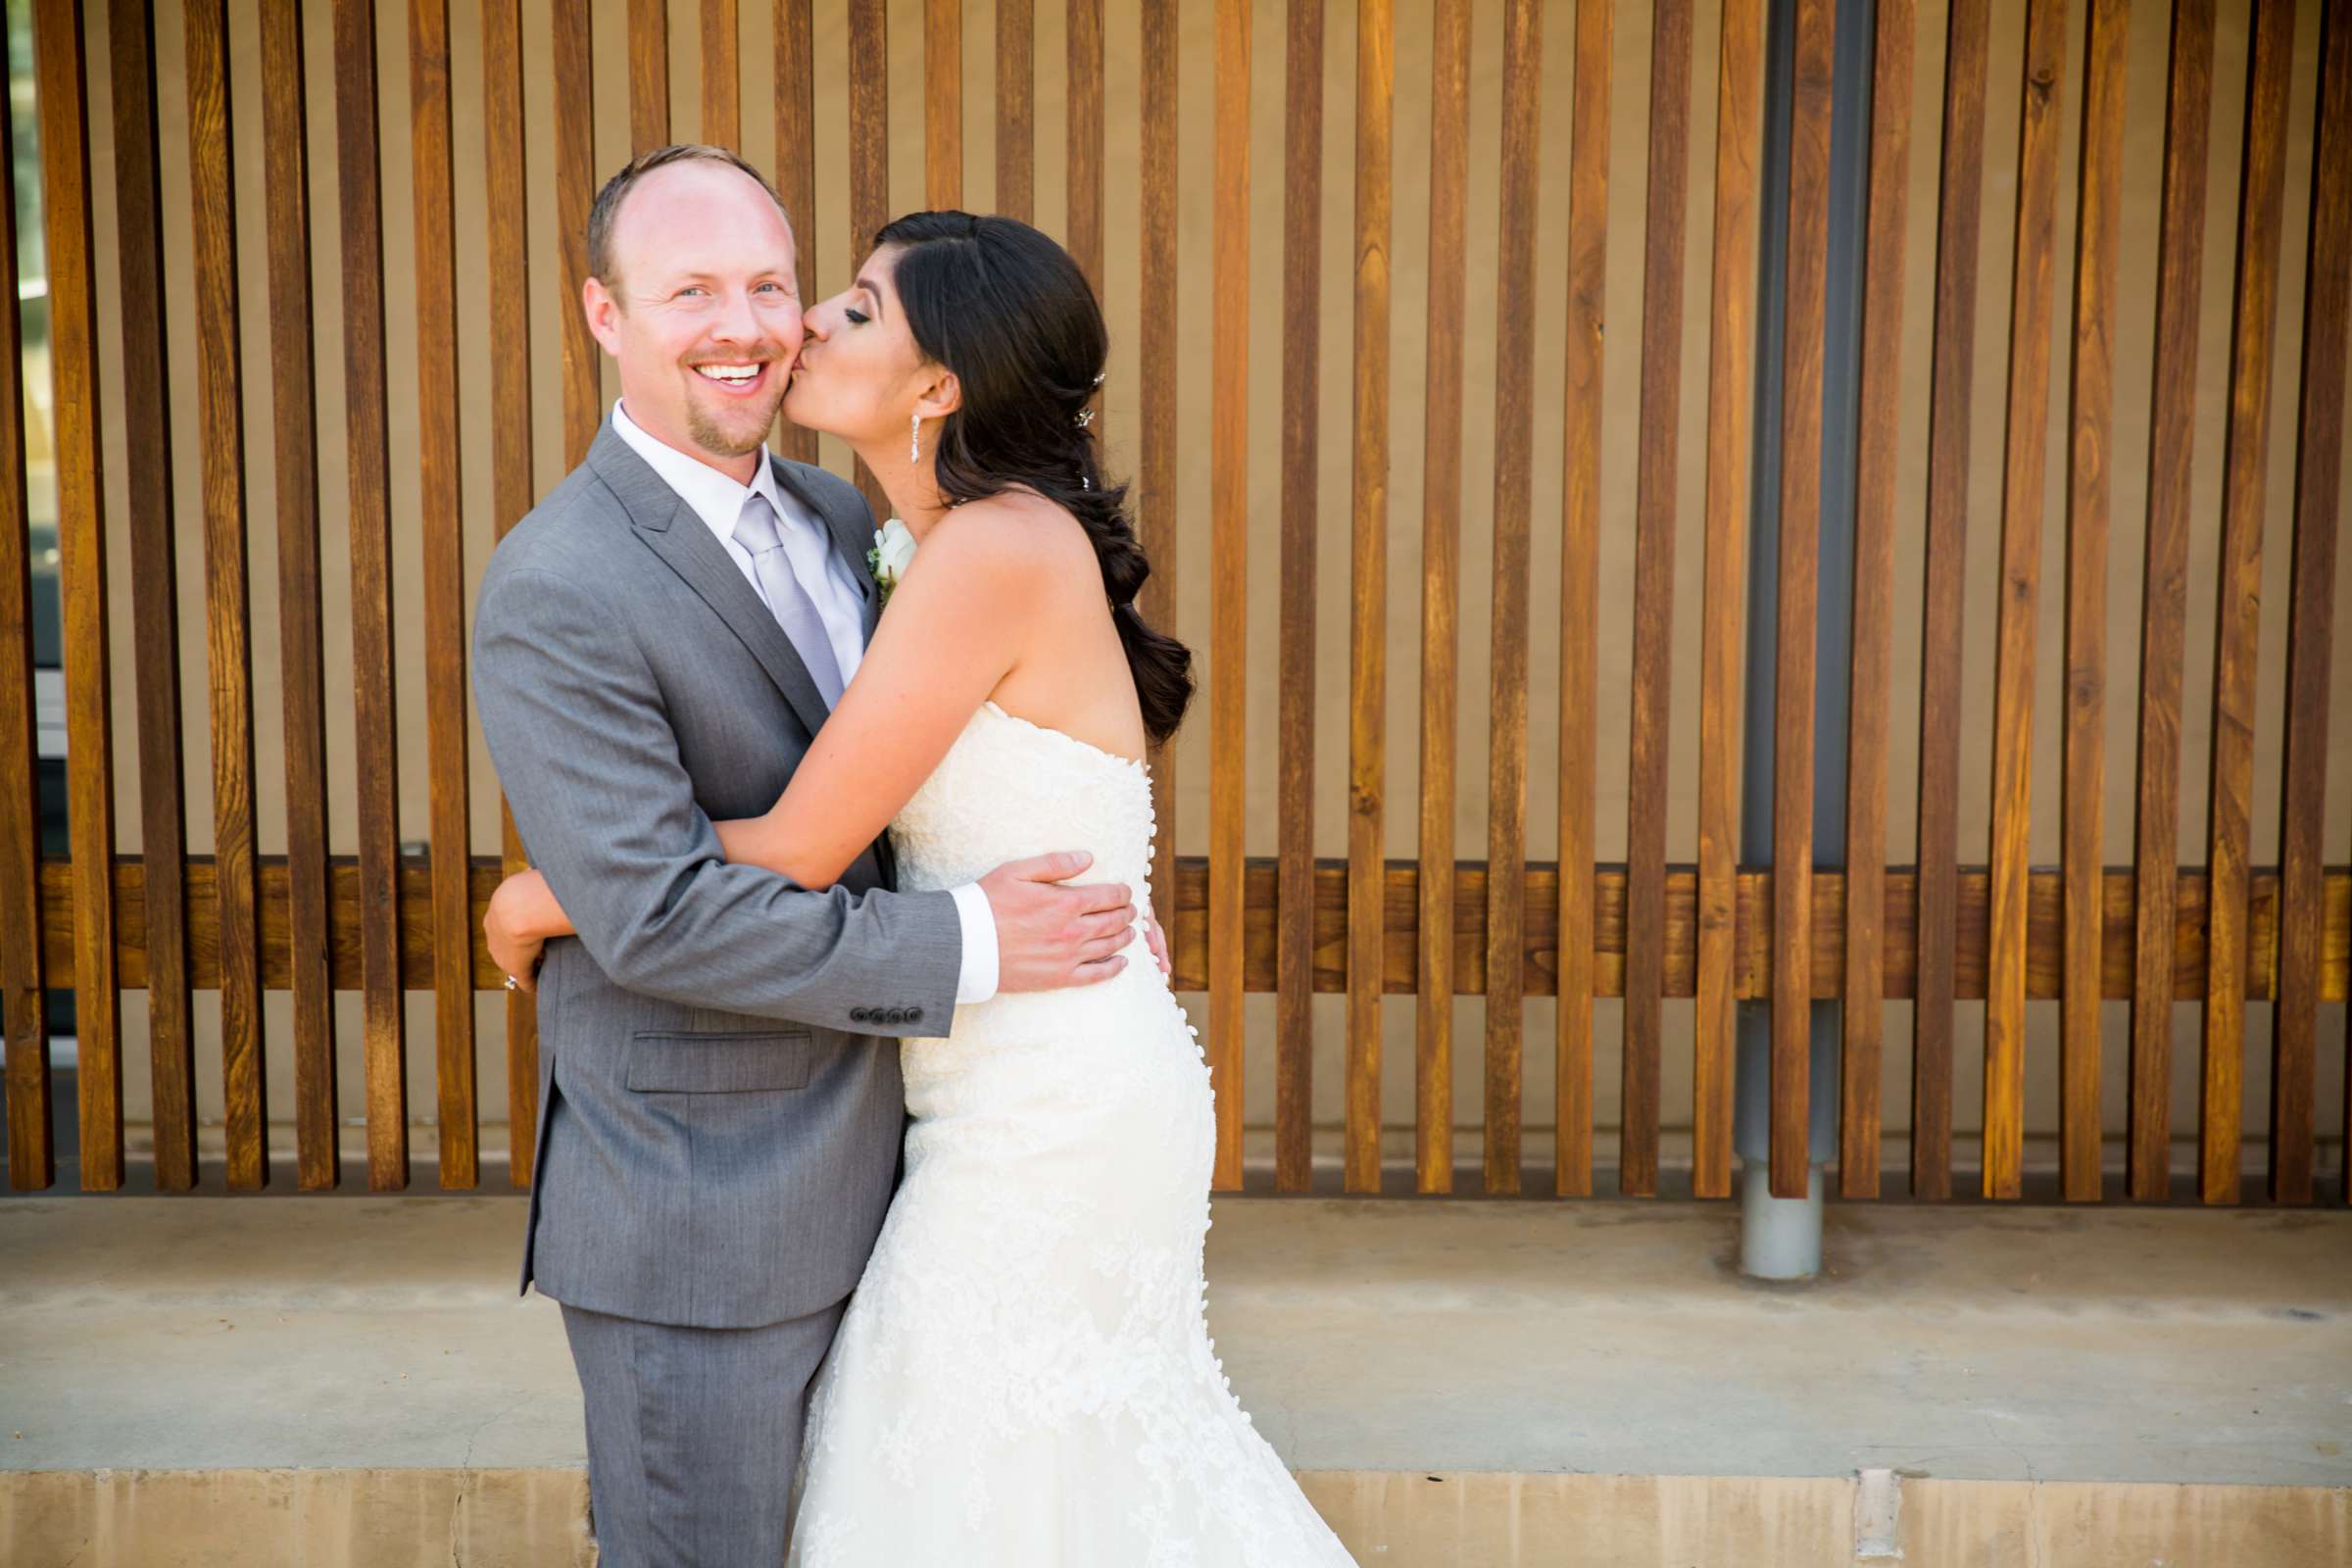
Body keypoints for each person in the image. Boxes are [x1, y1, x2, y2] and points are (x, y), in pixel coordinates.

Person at [483, 172, 1357, 1562]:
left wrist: (554, 892)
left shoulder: (913, 545)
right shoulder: (593, 576)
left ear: (937, 383)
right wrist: (1021, 923)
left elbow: (818, 843)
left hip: (1021, 1103)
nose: (782, 325)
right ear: (606, 313)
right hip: (761, 1177)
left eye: (806, 293)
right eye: (695, 291)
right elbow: (938, 813)